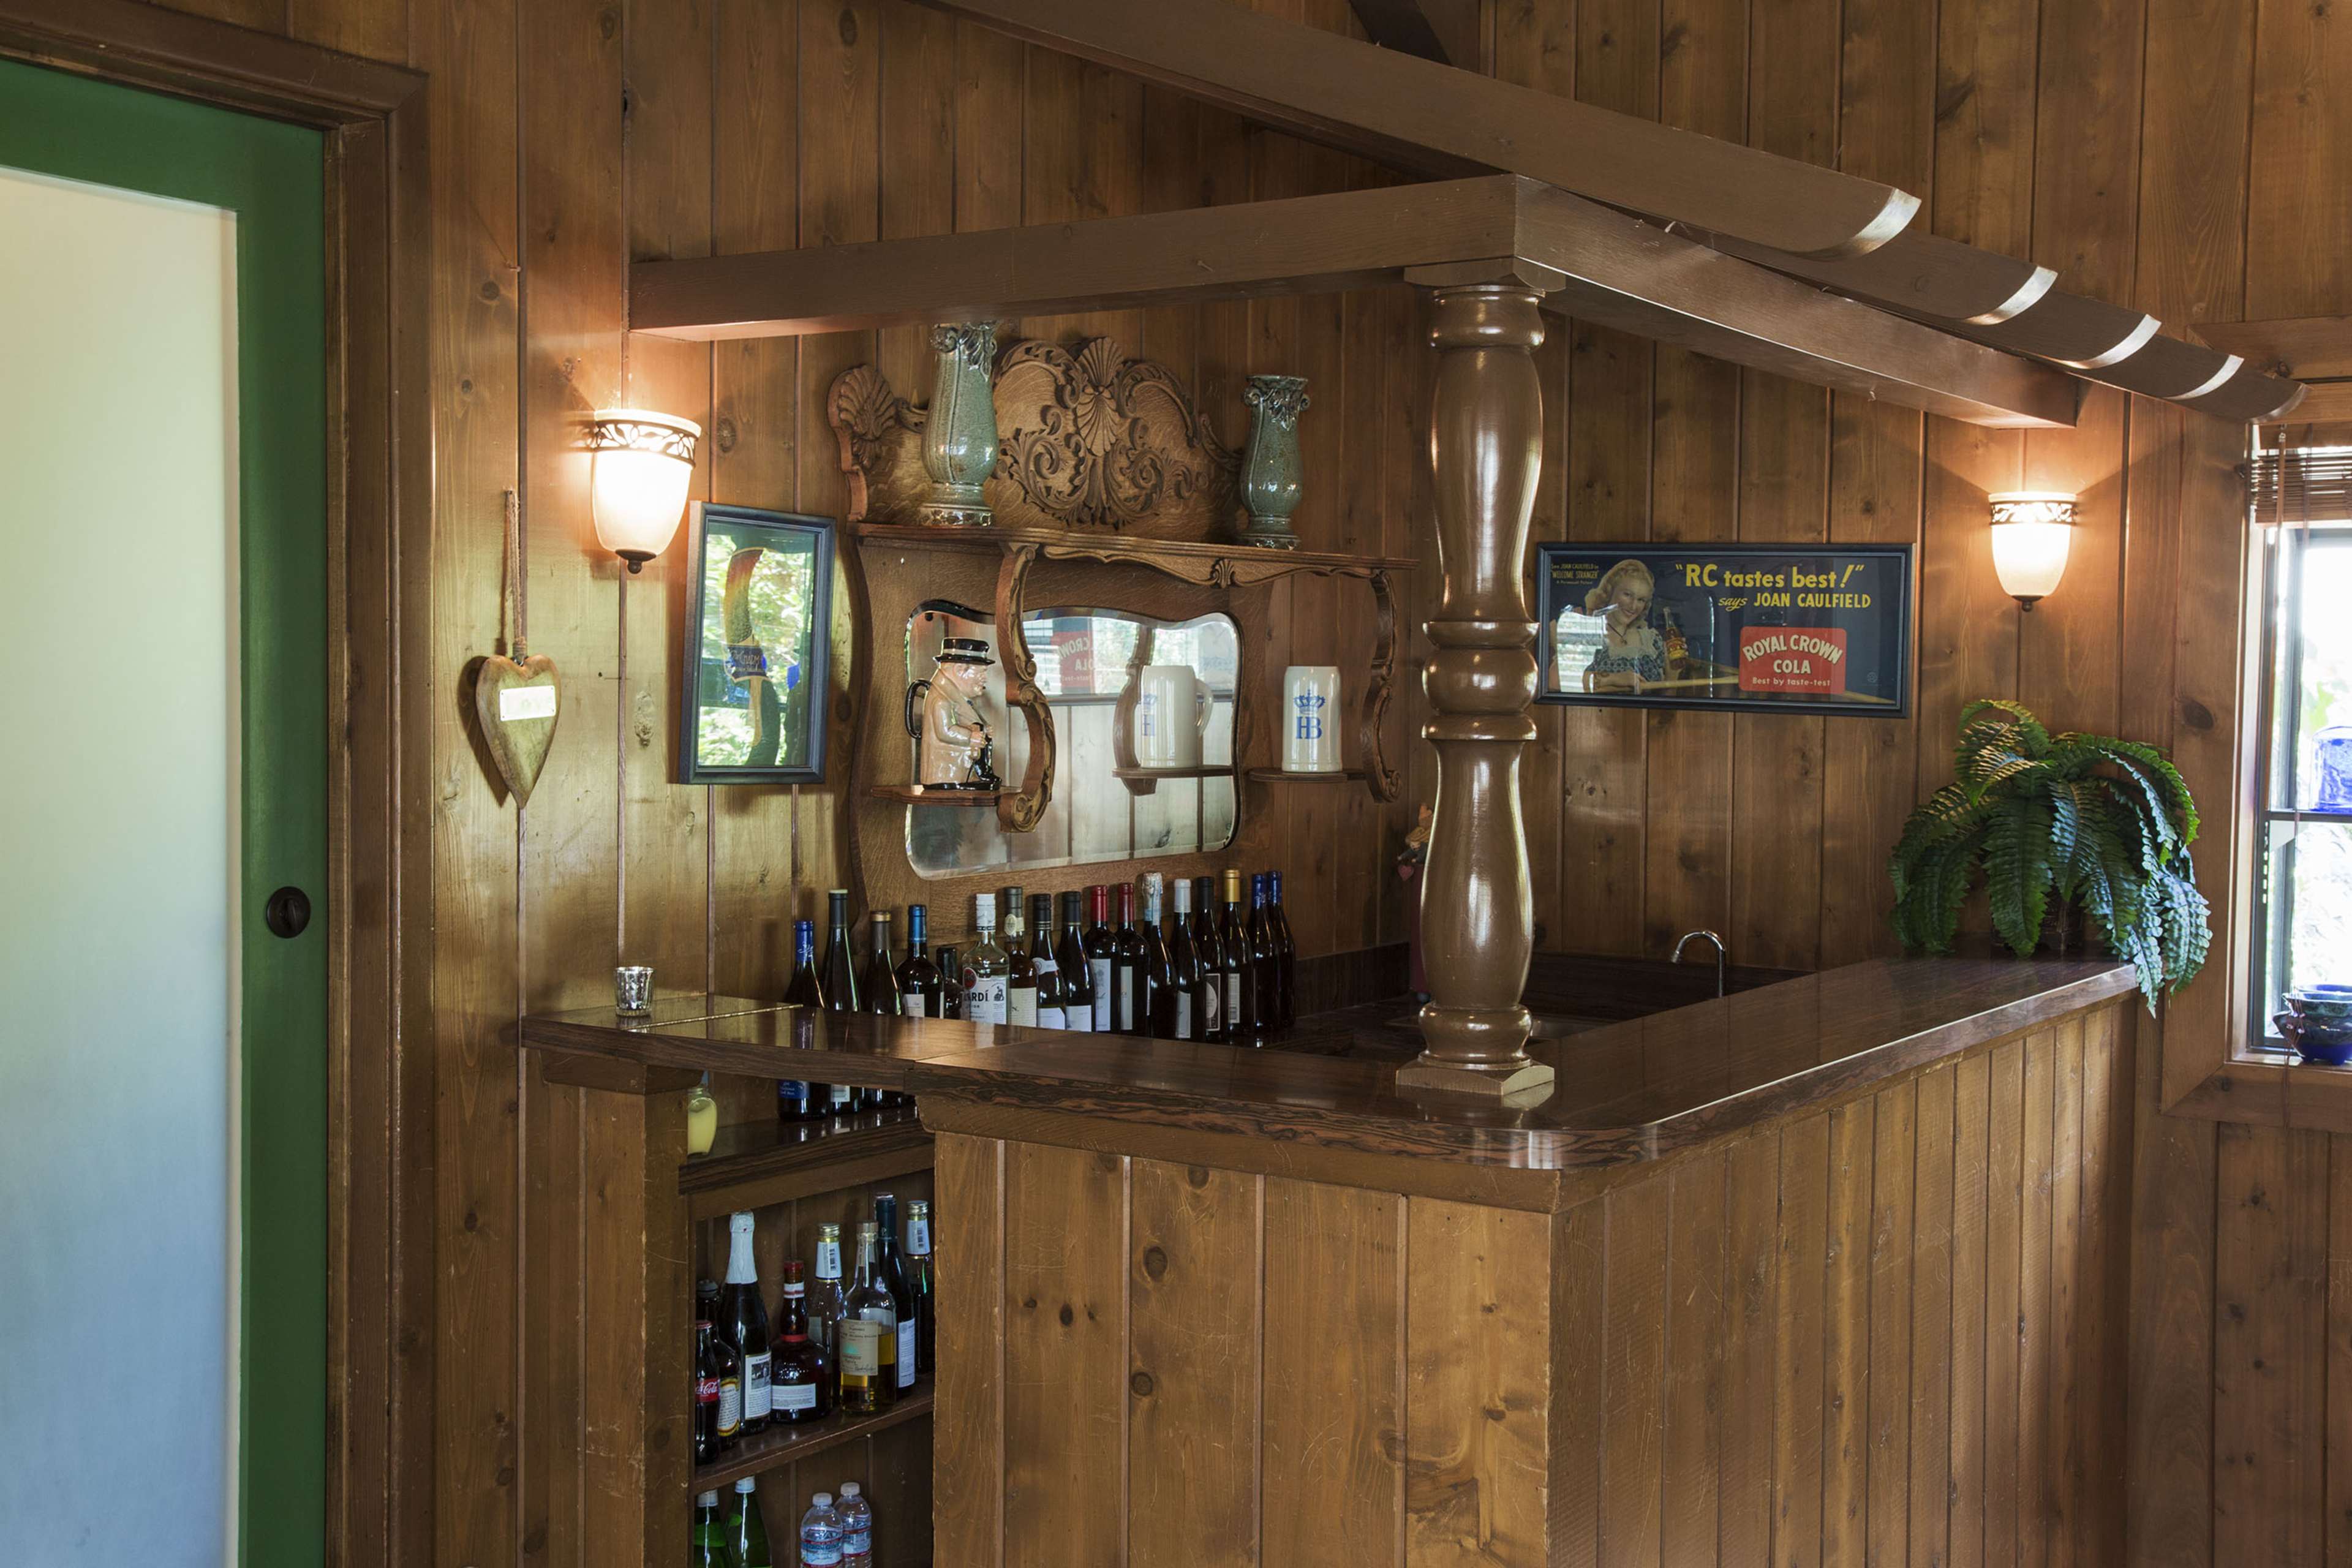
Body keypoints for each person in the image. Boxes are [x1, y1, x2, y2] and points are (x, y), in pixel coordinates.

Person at [1580, 557, 1665, 693]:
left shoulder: (1651, 640)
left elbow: (1667, 692)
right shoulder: (1586, 633)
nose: (1633, 606)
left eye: (1641, 600)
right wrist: (1615, 679)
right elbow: (1556, 681)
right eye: (1627, 595)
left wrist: (1676, 669)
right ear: (1609, 592)